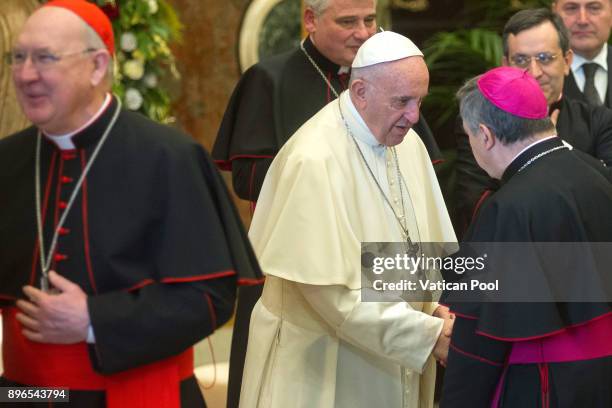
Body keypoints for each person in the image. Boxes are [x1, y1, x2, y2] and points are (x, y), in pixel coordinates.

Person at [0, 1, 261, 407]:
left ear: (98, 66)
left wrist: (93, 320)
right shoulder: (7, 160)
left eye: (44, 58)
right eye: (18, 58)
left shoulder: (169, 157)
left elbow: (210, 298)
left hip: (138, 395)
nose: (25, 74)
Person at [239, 31, 457, 408]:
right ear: (360, 91)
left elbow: (421, 245)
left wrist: (432, 307)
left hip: (395, 348)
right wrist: (427, 335)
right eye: (402, 101)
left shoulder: (408, 144)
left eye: (419, 101)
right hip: (321, 363)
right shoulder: (314, 158)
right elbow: (331, 297)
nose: (414, 117)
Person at [440, 66, 612, 407]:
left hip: (543, 384)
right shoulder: (597, 174)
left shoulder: (508, 208)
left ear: (485, 135)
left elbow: (479, 342)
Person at [212, 0, 442, 204]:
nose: (363, 33)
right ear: (311, 19)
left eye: (369, 19)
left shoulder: (389, 75)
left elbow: (420, 167)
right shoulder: (268, 79)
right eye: (348, 22)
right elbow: (247, 180)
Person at [454, 8, 612, 235]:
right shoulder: (481, 119)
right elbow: (474, 202)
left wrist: (551, 148)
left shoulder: (600, 121)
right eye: (521, 60)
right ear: (505, 64)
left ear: (567, 61)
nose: (534, 72)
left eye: (545, 58)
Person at [553, 0, 612, 107]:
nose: (582, 21)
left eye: (594, 8)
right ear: (554, 14)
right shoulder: (537, 75)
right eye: (571, 8)